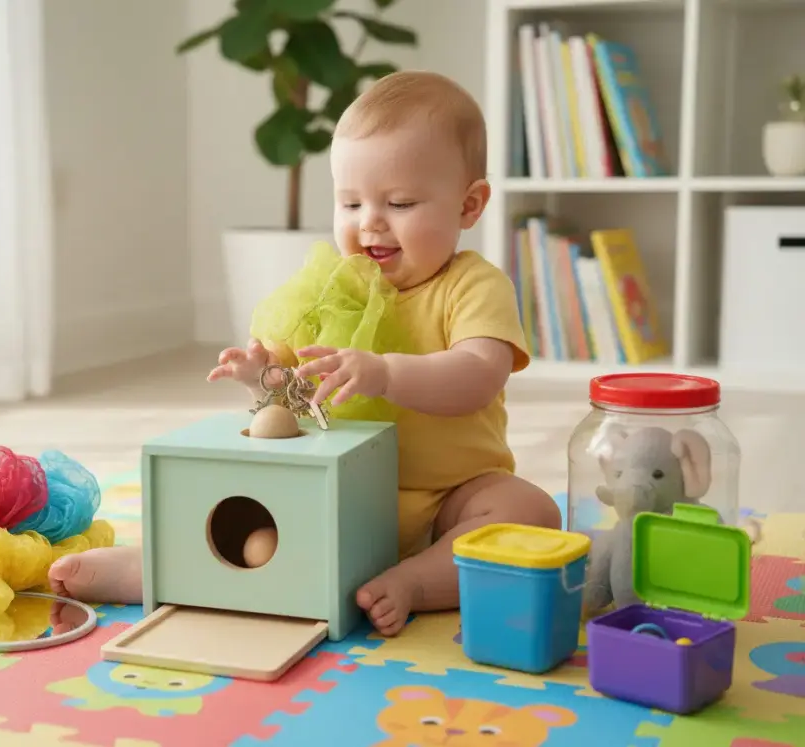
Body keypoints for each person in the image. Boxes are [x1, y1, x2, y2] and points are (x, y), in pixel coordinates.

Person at [48, 70, 561, 636]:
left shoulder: (472, 285)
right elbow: (293, 403)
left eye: (400, 202)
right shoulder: (331, 289)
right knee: (252, 522)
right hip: (334, 496)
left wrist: (386, 373)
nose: (370, 221)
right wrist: (263, 379)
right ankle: (151, 570)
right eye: (350, 202)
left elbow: (479, 374)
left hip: (450, 499)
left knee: (530, 512)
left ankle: (417, 581)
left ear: (469, 205)